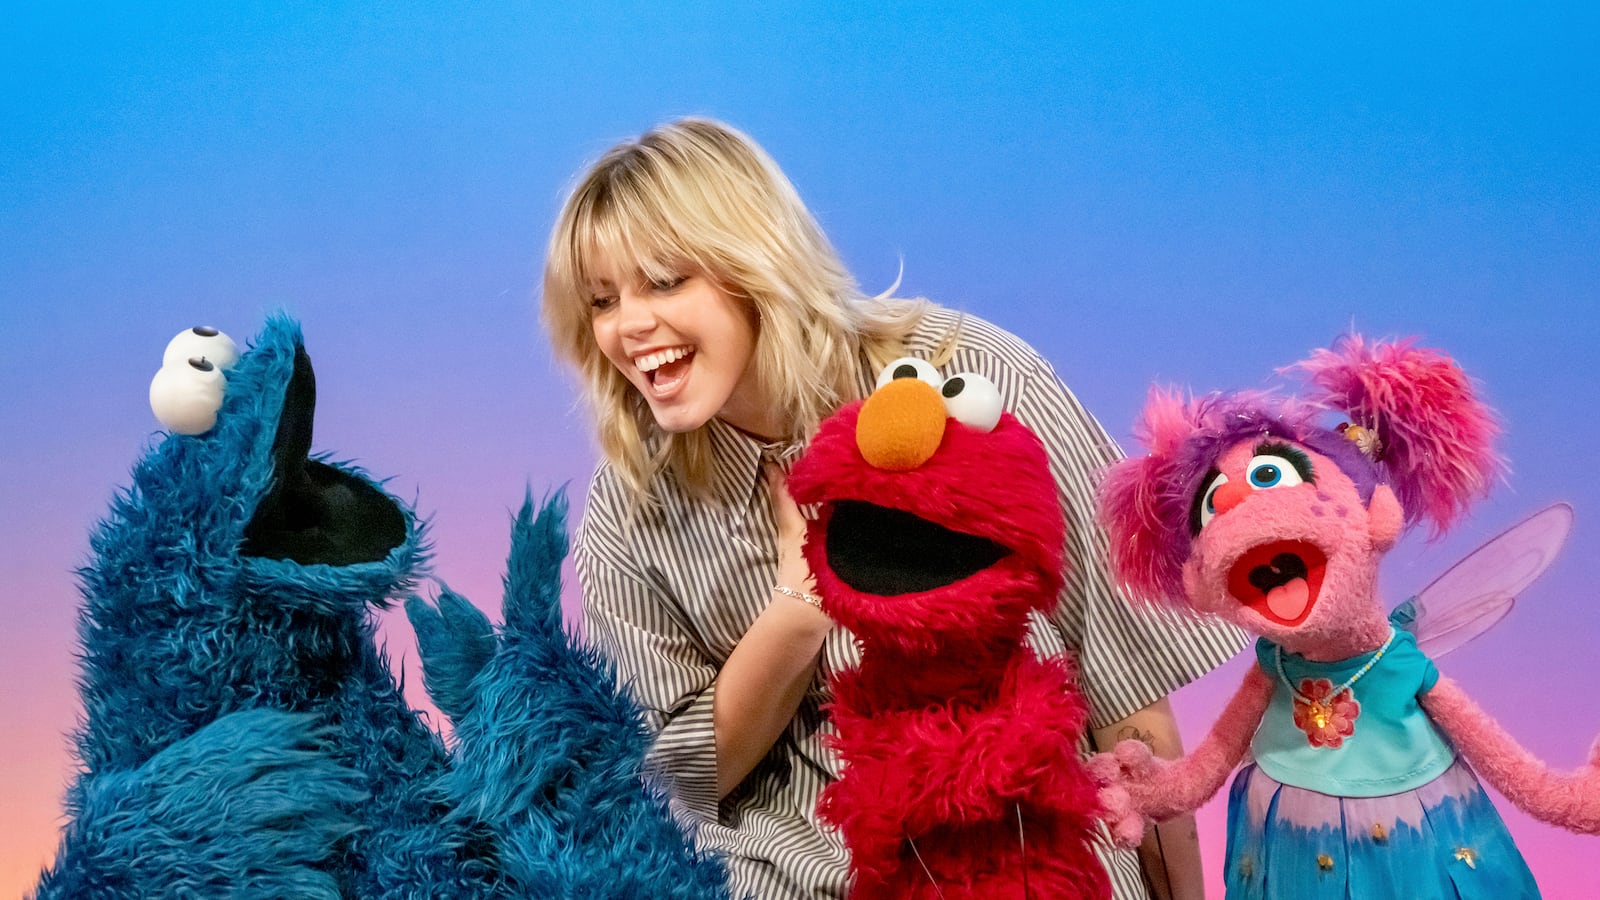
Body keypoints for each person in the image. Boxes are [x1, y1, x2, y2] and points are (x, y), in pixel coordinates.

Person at [540, 116, 1243, 900]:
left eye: (666, 281)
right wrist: (797, 608)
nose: (630, 326)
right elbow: (671, 780)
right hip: (793, 877)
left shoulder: (973, 378)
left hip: (1025, 854)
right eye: (602, 301)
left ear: (755, 264)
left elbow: (1124, 681)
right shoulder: (629, 510)